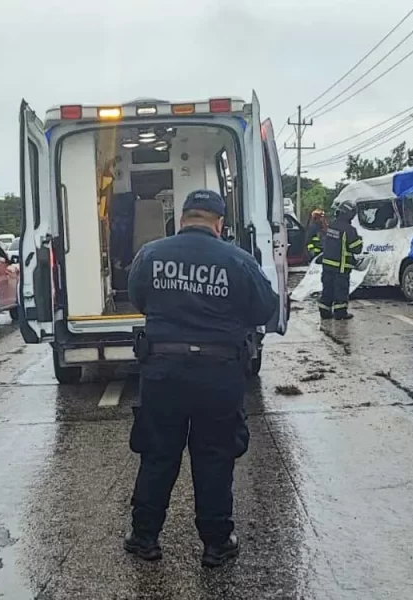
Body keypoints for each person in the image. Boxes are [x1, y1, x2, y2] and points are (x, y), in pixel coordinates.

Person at [124, 189, 279, 568]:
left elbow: (138, 298)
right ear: (219, 223)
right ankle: (216, 543)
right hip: (218, 373)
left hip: (163, 372)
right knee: (214, 457)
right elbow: (265, 308)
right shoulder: (238, 260)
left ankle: (144, 537)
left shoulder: (151, 254)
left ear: (182, 219)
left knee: (158, 454)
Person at [318, 199, 363, 320]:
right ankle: (340, 313)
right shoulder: (349, 229)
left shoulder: (332, 225)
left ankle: (324, 311)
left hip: (327, 265)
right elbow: (356, 249)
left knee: (327, 289)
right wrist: (360, 240)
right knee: (340, 290)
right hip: (341, 267)